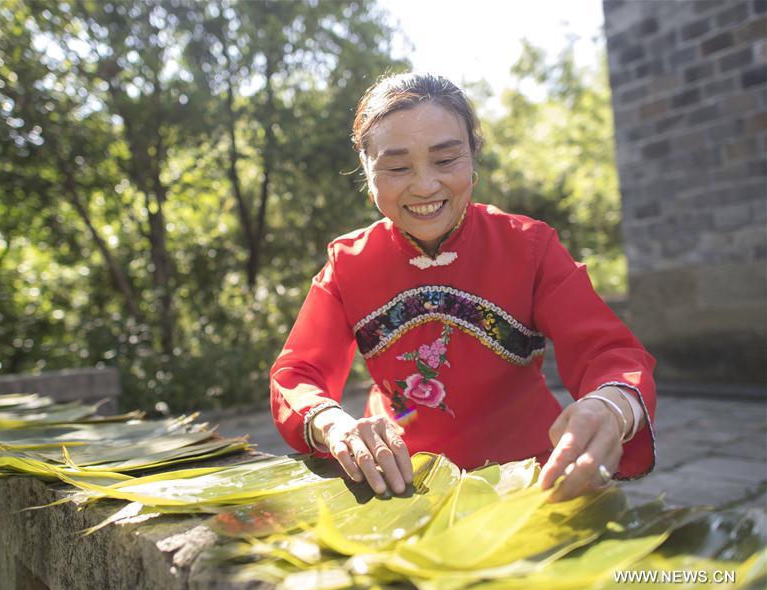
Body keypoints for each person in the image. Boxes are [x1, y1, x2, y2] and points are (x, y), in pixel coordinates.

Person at [269, 73, 656, 502]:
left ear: (473, 159)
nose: (424, 185)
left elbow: (609, 352)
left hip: (531, 477)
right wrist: (335, 426)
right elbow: (299, 373)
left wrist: (609, 407)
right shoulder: (348, 263)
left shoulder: (529, 247)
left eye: (446, 160)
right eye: (397, 167)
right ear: (367, 172)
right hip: (400, 481)